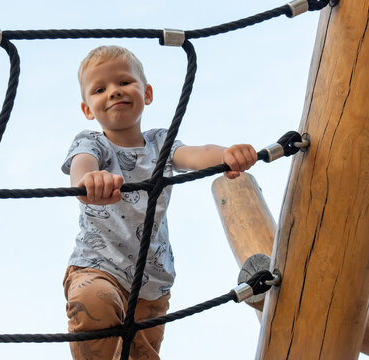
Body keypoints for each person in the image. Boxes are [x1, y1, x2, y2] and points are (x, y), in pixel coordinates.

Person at [61, 45, 257, 360]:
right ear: (88, 109)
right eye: (100, 89)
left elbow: (196, 154)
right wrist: (89, 182)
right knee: (94, 301)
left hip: (152, 284)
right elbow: (81, 169)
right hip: (99, 267)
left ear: (147, 93)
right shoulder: (91, 142)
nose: (113, 92)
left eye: (124, 82)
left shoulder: (159, 143)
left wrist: (225, 155)